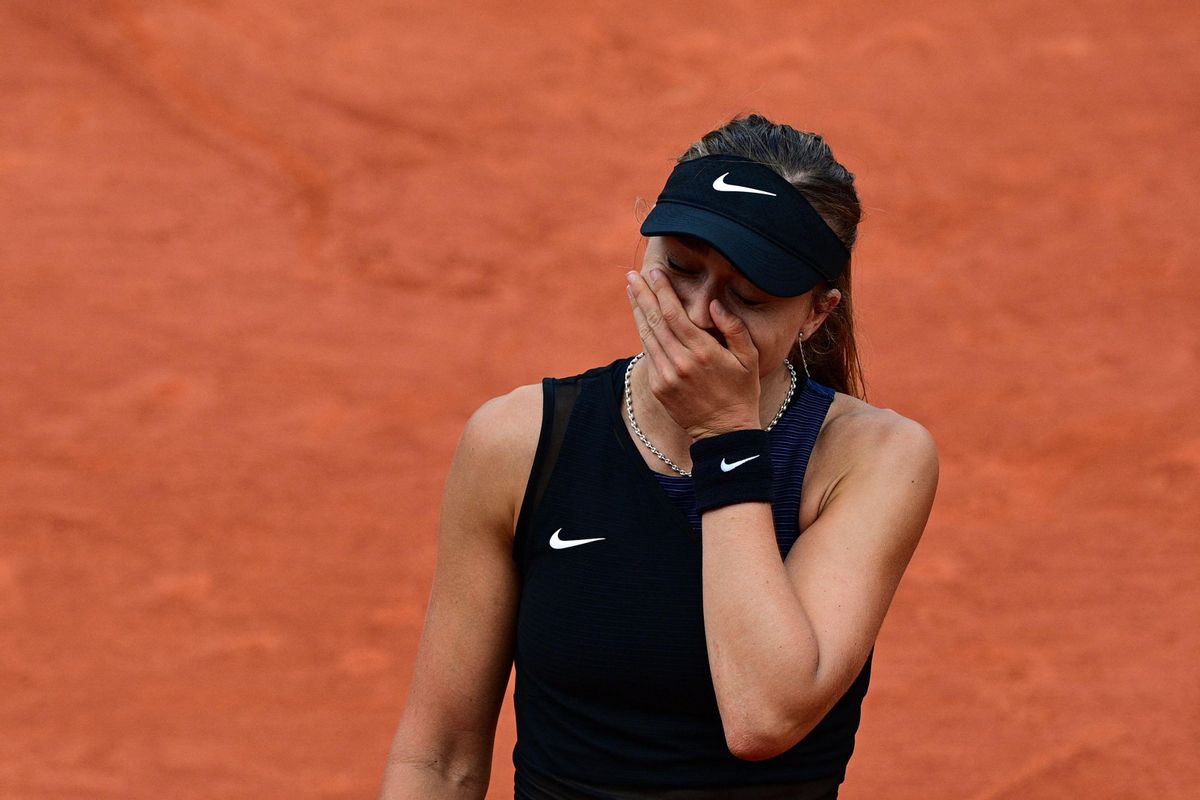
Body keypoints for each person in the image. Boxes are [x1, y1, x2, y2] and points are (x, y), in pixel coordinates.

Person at [378, 114, 939, 799]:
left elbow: (764, 716)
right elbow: (438, 756)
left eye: (748, 298)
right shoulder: (518, 443)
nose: (699, 315)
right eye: (680, 268)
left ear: (817, 315)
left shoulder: (871, 458)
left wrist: (724, 437)